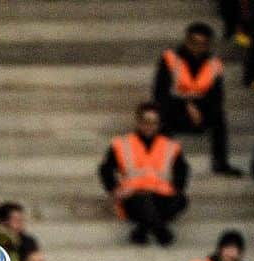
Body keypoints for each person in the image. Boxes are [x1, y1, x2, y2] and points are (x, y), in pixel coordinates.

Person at [153, 22, 241, 175]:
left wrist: (199, 109)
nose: (197, 47)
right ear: (187, 40)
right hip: (175, 109)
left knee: (219, 115)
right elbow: (160, 92)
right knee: (161, 113)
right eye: (194, 42)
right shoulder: (170, 58)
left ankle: (220, 163)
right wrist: (187, 104)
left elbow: (217, 96)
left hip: (202, 111)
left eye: (202, 44)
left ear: (208, 45)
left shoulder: (214, 64)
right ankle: (161, 162)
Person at [99, 102, 189, 246]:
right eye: (146, 122)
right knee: (143, 201)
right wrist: (114, 189)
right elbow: (105, 168)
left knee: (181, 200)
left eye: (154, 122)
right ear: (138, 122)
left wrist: (177, 188)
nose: (150, 126)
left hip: (160, 195)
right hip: (133, 196)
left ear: (159, 124)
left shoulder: (170, 146)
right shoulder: (121, 144)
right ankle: (161, 230)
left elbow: (183, 169)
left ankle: (142, 229)